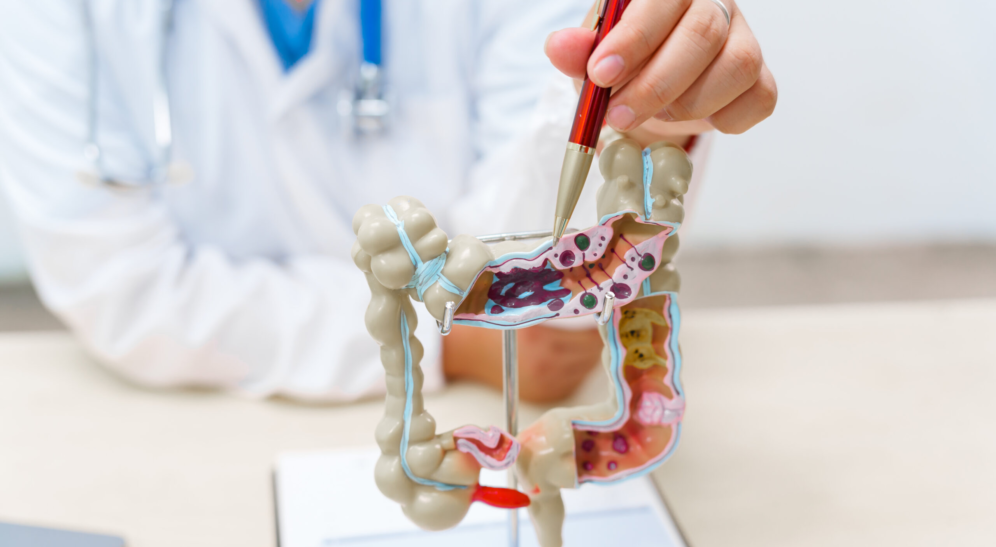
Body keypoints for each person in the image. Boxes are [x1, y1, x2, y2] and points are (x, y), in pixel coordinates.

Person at [0, 0, 775, 403]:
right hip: (189, 435)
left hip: (474, 425)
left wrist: (646, 118)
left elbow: (535, 295)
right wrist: (438, 339)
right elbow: (121, 283)